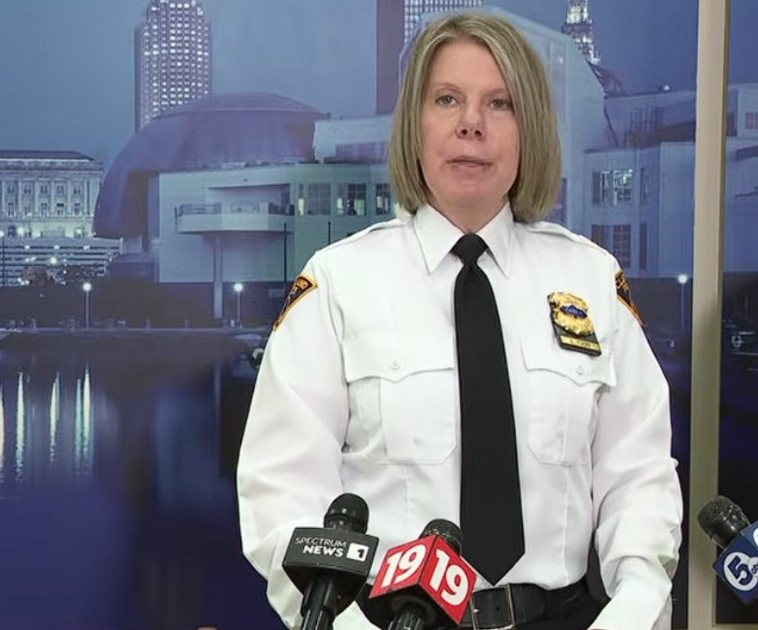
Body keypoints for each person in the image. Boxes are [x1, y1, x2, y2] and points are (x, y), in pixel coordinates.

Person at [237, 11, 683, 630]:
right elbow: (281, 491)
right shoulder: (339, 283)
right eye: (447, 99)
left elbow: (637, 473)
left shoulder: (591, 280)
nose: (471, 123)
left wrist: (635, 603)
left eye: (499, 104)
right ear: (414, 125)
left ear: (529, 130)